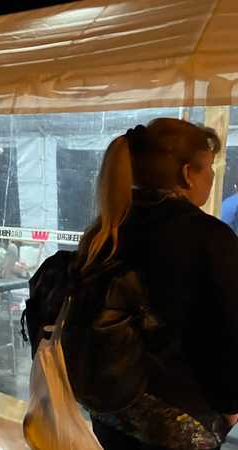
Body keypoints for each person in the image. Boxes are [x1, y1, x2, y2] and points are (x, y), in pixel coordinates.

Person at [78, 118, 238, 449]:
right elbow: (229, 329)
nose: (211, 176)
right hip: (182, 420)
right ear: (187, 174)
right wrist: (231, 403)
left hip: (111, 409)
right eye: (208, 167)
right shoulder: (209, 237)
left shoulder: (106, 230)